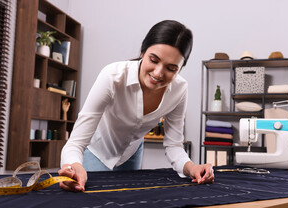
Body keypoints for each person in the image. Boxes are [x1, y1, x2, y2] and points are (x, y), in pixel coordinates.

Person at [58, 20, 214, 192]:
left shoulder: (179, 89)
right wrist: (73, 166)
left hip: (131, 156)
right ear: (143, 52)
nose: (158, 73)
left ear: (180, 69)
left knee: (127, 205)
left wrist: (192, 168)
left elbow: (174, 144)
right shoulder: (112, 76)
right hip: (96, 152)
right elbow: (76, 143)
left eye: (171, 68)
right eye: (153, 60)